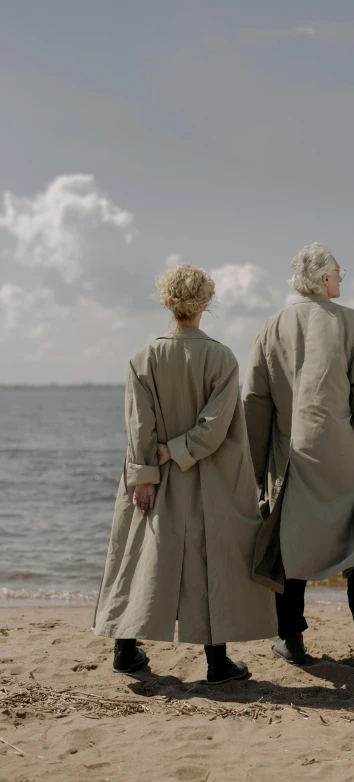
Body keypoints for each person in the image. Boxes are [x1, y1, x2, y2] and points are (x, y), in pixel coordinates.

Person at [94, 264, 277, 684]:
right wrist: (180, 450)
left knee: (140, 556)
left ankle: (125, 651)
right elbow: (215, 427)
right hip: (208, 477)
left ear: (167, 301)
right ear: (205, 302)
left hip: (154, 475)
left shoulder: (143, 358)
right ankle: (217, 662)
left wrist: (145, 472)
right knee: (212, 561)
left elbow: (138, 424)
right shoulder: (222, 358)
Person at [242, 243, 354, 665]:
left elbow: (255, 402)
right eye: (338, 272)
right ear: (322, 279)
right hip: (339, 457)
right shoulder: (353, 323)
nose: (341, 278)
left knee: (289, 544)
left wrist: (255, 467)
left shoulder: (272, 326)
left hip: (290, 457)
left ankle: (291, 640)